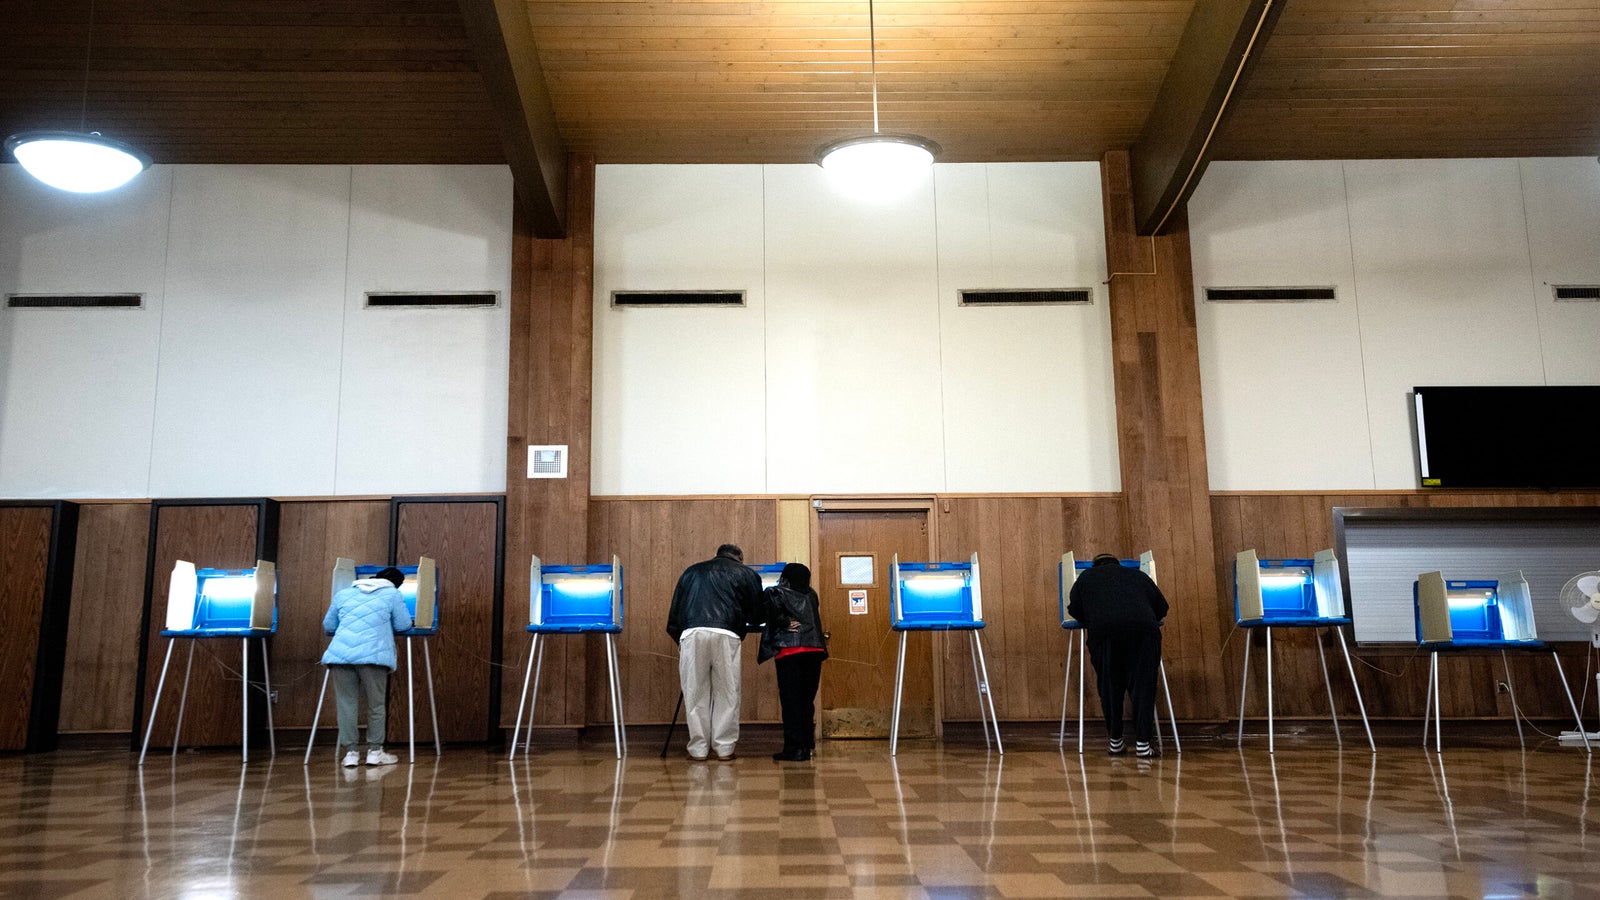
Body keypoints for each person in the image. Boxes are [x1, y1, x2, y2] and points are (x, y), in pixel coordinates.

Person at [666, 544, 764, 761]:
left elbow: (674, 613)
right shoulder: (746, 573)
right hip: (726, 632)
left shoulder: (691, 571)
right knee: (727, 692)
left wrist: (681, 641)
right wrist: (747, 626)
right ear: (739, 557)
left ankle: (699, 748)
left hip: (691, 632)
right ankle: (724, 748)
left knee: (695, 692)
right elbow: (757, 613)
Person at [1066, 553, 1168, 758]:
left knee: (1110, 686)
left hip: (1105, 635)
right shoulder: (1137, 575)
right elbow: (1162, 608)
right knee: (1143, 687)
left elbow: (1074, 610)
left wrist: (1096, 617)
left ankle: (1115, 742)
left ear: (1095, 565)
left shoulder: (1085, 578)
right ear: (1117, 563)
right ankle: (1143, 744)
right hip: (1143, 634)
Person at [322, 565, 413, 767]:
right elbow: (403, 624)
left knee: (346, 705)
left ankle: (351, 754)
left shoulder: (344, 593)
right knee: (376, 705)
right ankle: (375, 752)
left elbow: (328, 626)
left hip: (340, 656)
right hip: (374, 655)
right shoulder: (392, 594)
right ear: (396, 583)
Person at [758, 562, 827, 761]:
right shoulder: (812, 594)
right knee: (806, 701)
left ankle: (794, 749)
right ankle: (807, 744)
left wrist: (784, 622)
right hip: (814, 650)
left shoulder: (775, 593)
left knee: (791, 702)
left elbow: (768, 615)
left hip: (790, 651)